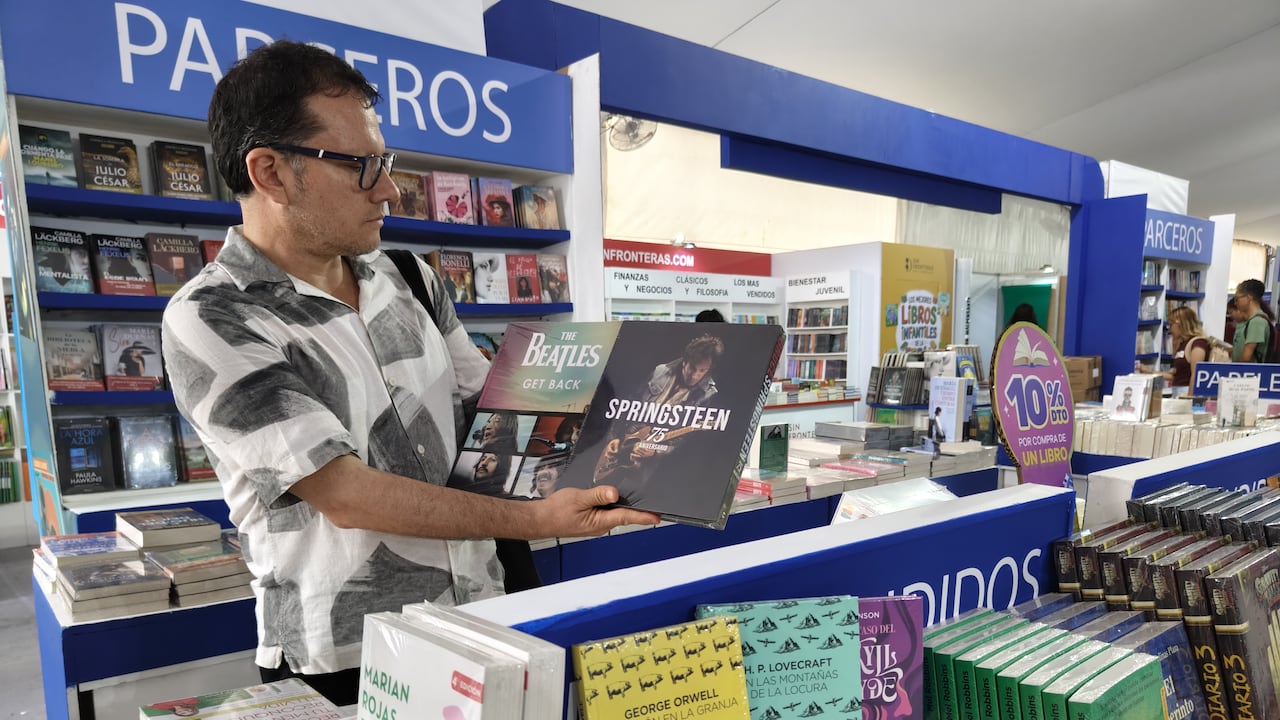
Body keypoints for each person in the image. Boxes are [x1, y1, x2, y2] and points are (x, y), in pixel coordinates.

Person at [160, 40, 656, 706]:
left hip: (485, 614)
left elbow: (494, 411)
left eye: (384, 162)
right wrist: (540, 518)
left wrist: (640, 420)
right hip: (350, 654)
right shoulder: (212, 316)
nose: (389, 188)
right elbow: (346, 494)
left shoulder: (409, 278)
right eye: (362, 167)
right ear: (271, 173)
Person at [1159, 306, 1210, 393]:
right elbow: (1177, 375)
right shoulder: (1182, 344)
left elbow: (1196, 374)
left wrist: (1190, 398)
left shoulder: (1198, 343)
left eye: (1171, 325)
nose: (1170, 330)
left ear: (1181, 324)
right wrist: (1148, 372)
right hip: (1178, 391)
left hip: (1187, 392)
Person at [1231, 279, 1271, 362]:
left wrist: (1231, 369)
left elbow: (1246, 357)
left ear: (1248, 298)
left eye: (1237, 299)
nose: (1235, 303)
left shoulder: (1257, 322)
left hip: (1249, 374)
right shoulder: (1248, 321)